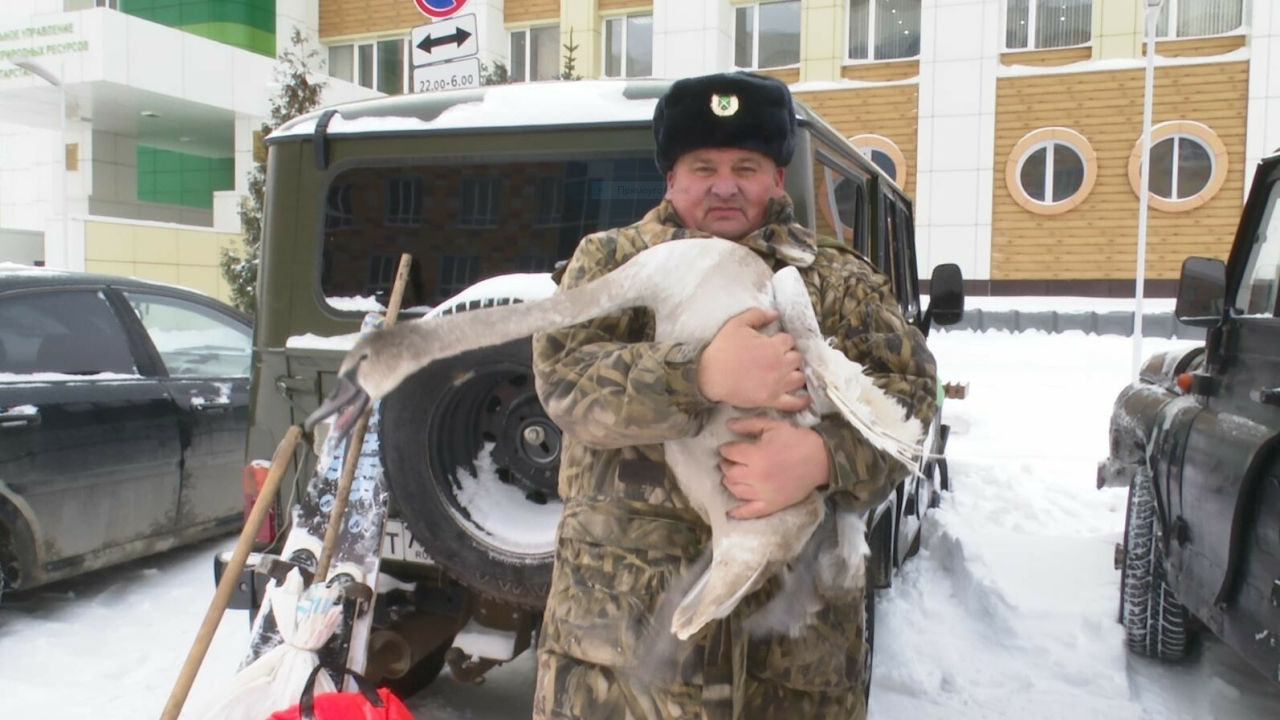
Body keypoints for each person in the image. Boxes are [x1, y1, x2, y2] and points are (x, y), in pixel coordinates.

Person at [529, 71, 938, 720]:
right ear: (671, 179)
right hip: (626, 661)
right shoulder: (613, 264)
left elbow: (912, 404)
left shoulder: (838, 281)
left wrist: (823, 458)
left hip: (791, 663)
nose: (725, 185)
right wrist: (698, 374)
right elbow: (565, 379)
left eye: (746, 166)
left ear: (778, 177)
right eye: (703, 166)